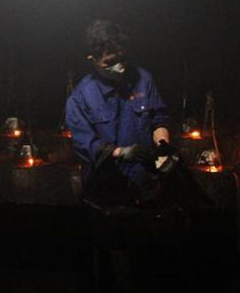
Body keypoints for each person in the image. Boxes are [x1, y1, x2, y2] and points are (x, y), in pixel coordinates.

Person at [66, 20, 172, 206]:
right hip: (104, 193)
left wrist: (163, 146)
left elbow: (159, 118)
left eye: (122, 58)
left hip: (146, 187)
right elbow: (85, 144)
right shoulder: (80, 97)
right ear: (93, 60)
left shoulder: (143, 79)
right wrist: (120, 152)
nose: (120, 66)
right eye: (111, 62)